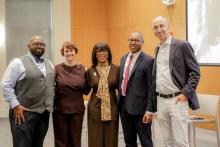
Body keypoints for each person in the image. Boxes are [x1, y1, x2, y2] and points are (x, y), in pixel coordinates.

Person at [151, 16, 201, 147]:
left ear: (168, 26)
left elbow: (195, 72)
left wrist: (185, 93)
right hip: (161, 100)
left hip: (177, 100)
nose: (159, 29)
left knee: (180, 141)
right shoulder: (157, 49)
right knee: (166, 141)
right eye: (155, 27)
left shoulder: (182, 45)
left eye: (161, 25)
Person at [1, 35, 55, 147]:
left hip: (43, 113)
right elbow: (6, 85)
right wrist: (16, 105)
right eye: (36, 43)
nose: (39, 46)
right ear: (29, 46)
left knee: (38, 144)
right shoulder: (17, 62)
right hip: (23, 113)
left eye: (42, 44)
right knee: (22, 144)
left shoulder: (49, 63)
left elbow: (50, 84)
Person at [118, 32, 154, 147]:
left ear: (142, 42)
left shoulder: (149, 61)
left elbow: (151, 87)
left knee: (146, 141)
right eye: (131, 40)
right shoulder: (123, 58)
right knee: (129, 141)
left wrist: (149, 110)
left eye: (137, 40)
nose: (133, 42)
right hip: (124, 107)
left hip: (141, 110)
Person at [84, 42, 119, 147]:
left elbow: (122, 89)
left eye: (104, 51)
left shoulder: (116, 69)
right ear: (94, 55)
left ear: (108, 53)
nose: (101, 54)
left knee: (111, 138)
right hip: (95, 108)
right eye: (98, 52)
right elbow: (85, 90)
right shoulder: (90, 70)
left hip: (112, 107)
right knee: (95, 138)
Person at [53, 42, 85, 147]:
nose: (69, 53)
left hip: (77, 110)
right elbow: (50, 87)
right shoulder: (56, 69)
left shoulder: (82, 68)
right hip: (60, 110)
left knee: (75, 139)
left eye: (71, 50)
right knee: (61, 140)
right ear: (63, 53)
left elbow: (86, 88)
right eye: (66, 51)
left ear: (75, 52)